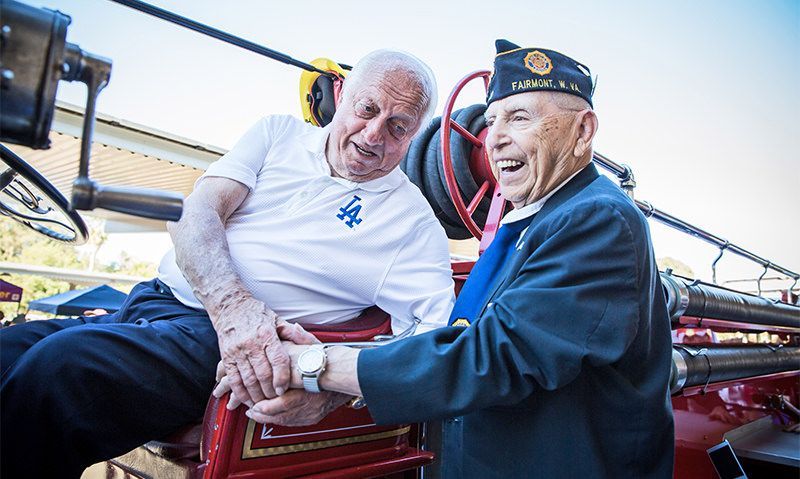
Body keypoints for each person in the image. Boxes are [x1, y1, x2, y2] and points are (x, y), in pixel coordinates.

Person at [0, 49, 454, 478]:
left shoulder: (413, 225)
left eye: (398, 126)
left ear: (415, 136)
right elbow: (196, 214)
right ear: (341, 97)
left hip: (217, 347)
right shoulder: (278, 133)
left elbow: (434, 344)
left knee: (58, 372)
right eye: (367, 109)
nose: (373, 134)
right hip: (154, 302)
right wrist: (233, 306)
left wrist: (334, 392)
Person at [248, 40, 675, 478]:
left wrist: (316, 364)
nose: (497, 138)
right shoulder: (531, 225)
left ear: (583, 131)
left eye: (521, 118)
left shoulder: (596, 218)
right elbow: (459, 341)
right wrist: (337, 378)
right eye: (492, 121)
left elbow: (491, 358)